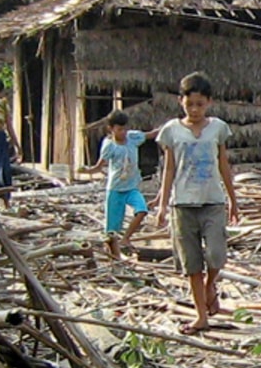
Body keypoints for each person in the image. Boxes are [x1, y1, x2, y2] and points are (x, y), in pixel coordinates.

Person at [154, 71, 238, 335]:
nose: (195, 109)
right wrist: (162, 205)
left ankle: (211, 285)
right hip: (183, 205)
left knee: (216, 254)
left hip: (212, 201)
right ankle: (201, 316)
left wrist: (233, 200)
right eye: (190, 104)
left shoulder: (218, 128)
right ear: (181, 101)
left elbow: (223, 164)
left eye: (200, 104)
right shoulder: (171, 131)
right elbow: (169, 169)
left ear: (209, 103)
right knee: (191, 265)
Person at [83, 110, 160, 258]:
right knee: (111, 231)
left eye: (125, 128)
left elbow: (151, 134)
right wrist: (87, 170)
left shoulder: (133, 137)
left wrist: (168, 127)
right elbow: (99, 166)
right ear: (111, 129)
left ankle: (126, 238)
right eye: (119, 129)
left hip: (131, 187)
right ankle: (112, 257)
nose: (123, 132)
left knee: (142, 210)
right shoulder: (109, 145)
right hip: (115, 189)